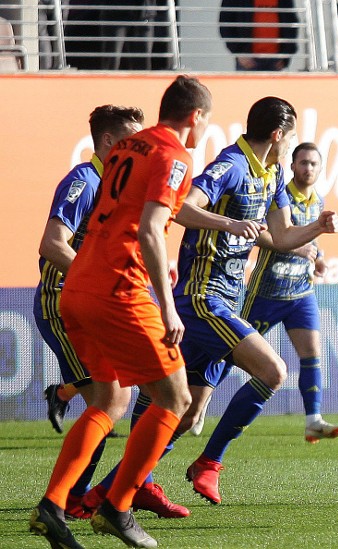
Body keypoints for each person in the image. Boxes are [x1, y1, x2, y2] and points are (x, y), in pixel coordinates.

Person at [28, 75, 212, 549]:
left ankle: (52, 505)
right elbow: (152, 229)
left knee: (110, 400)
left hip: (79, 288)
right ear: (195, 118)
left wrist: (224, 221)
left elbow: (146, 211)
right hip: (119, 290)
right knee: (176, 399)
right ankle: (117, 505)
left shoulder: (130, 149)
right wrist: (167, 307)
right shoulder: (176, 156)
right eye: (205, 123)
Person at [172, 97, 338, 505]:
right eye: (292, 137)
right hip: (201, 295)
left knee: (188, 410)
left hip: (229, 296)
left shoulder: (274, 172)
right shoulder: (231, 165)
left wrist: (317, 228)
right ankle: (209, 463)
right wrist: (229, 222)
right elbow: (181, 207)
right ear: (278, 135)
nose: (294, 145)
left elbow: (280, 238)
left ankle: (116, 485)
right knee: (272, 371)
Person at [193, 142, 338, 443]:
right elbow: (262, 233)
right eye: (303, 162)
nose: (308, 169)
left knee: (312, 353)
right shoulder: (280, 194)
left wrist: (318, 258)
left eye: (314, 164)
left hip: (300, 293)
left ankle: (313, 419)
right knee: (230, 352)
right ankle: (200, 402)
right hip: (266, 293)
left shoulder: (318, 202)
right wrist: (301, 247)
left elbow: (312, 242)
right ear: (293, 166)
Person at [33, 105, 144, 520]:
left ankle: (74, 495)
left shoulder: (116, 185)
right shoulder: (84, 180)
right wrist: (98, 275)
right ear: (111, 142)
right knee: (111, 396)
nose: (139, 148)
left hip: (96, 303)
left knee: (117, 395)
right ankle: (69, 498)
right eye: (132, 140)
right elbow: (52, 244)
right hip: (62, 302)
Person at [219, 0, 299, 71]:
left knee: (275, 88)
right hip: (248, 60)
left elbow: (291, 24)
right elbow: (226, 24)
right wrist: (239, 52)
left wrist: (285, 56)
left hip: (276, 60)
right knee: (247, 88)